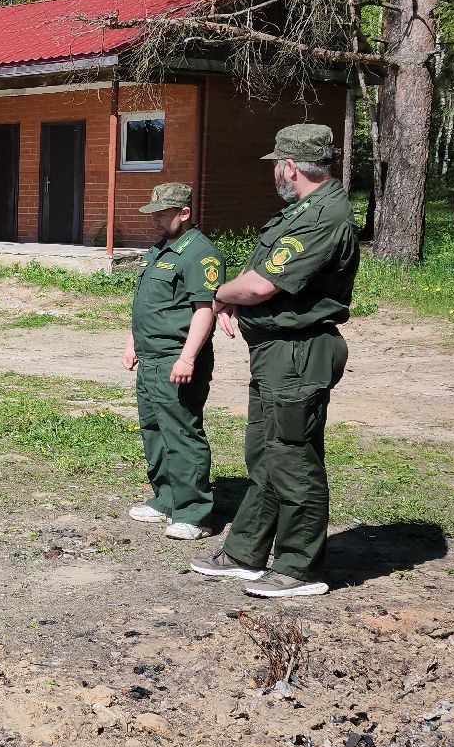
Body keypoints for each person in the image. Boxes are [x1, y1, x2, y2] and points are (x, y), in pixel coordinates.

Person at [191, 123, 360, 598]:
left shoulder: (324, 216)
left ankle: (299, 568)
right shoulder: (300, 212)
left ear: (290, 166)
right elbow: (259, 272)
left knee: (292, 456)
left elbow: (260, 285)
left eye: (276, 167)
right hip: (274, 352)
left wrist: (217, 294)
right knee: (264, 452)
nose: (274, 176)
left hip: (299, 353)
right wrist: (234, 295)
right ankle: (246, 552)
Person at [121, 182, 225, 541]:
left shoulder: (199, 253)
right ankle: (165, 498)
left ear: (184, 213)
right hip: (151, 357)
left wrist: (187, 358)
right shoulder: (160, 250)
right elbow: (149, 303)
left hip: (176, 359)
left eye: (164, 213)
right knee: (154, 430)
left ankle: (194, 512)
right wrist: (133, 342)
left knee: (181, 432)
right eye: (155, 213)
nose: (157, 220)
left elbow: (203, 311)